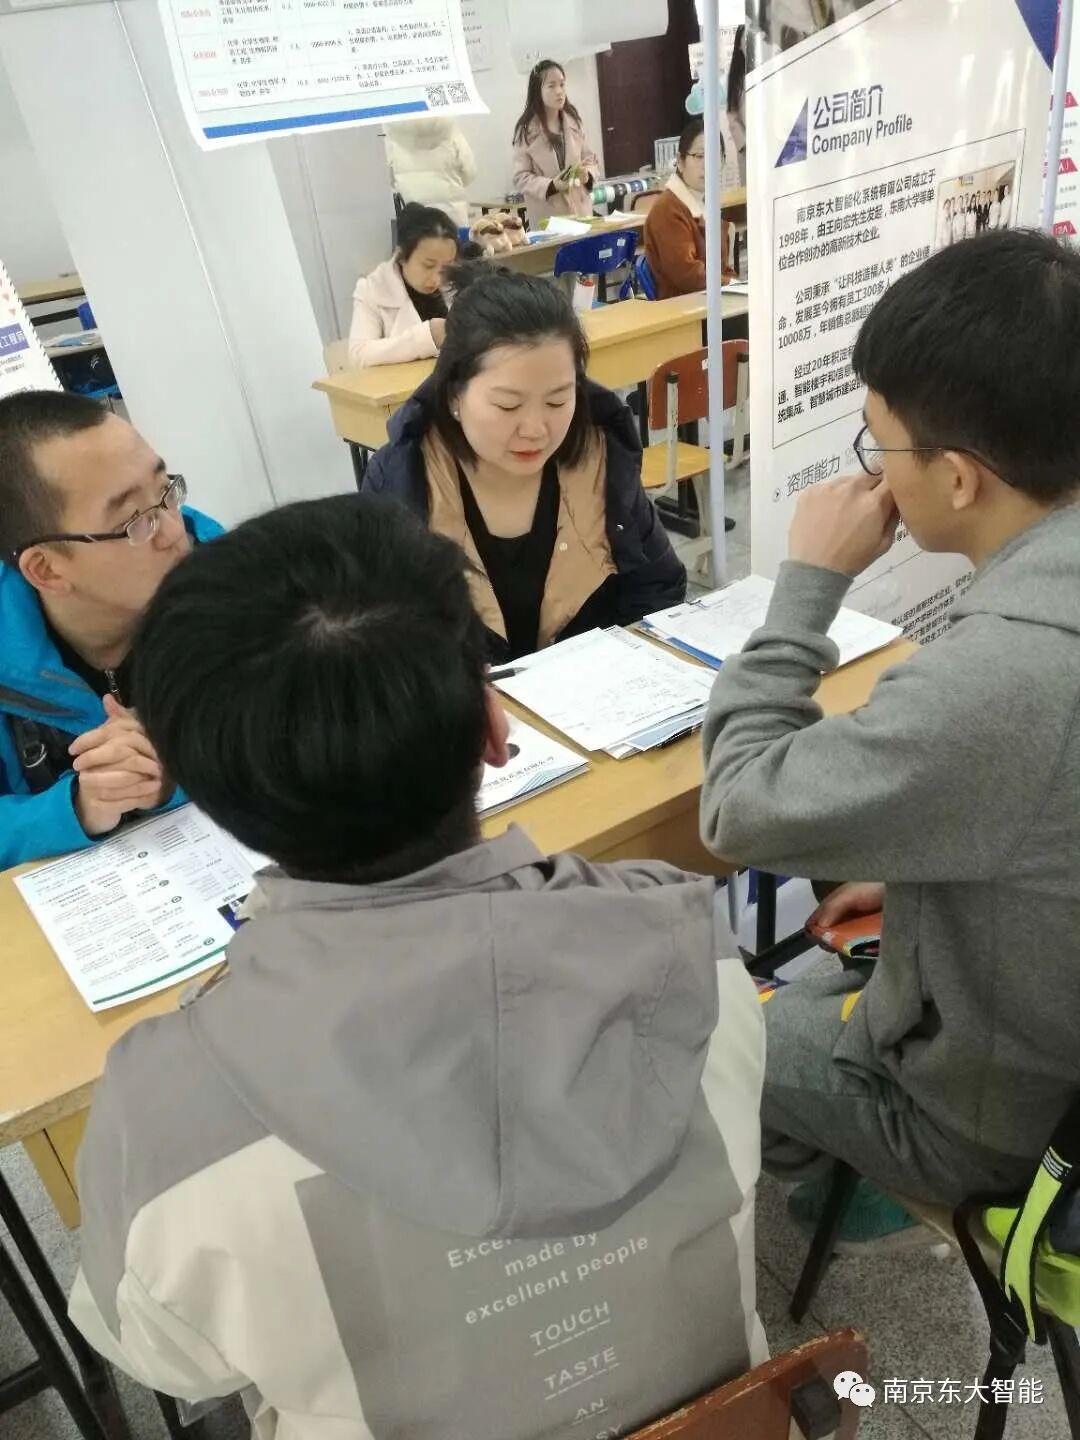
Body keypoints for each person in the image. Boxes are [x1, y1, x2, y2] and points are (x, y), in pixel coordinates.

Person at [69, 493, 766, 1440]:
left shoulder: (163, 1110)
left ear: (213, 805)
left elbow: (163, 1353)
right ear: (493, 727)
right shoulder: (694, 950)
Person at [698, 229, 1080, 1225]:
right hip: (1046, 1038)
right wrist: (931, 869)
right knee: (804, 998)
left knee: (706, 1031)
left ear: (957, 477)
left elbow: (736, 809)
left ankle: (858, 1182)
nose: (876, 474)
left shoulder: (1001, 677)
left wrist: (807, 584)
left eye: (882, 445)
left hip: (1006, 1132)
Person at [362, 264, 686, 661]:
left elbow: (658, 589)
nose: (535, 430)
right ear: (453, 396)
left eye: (557, 401)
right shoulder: (402, 480)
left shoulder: (600, 457)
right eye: (507, 405)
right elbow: (381, 643)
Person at [0, 390, 221, 869]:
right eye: (135, 522)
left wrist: (176, 773)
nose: (174, 531)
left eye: (165, 492)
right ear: (46, 570)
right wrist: (75, 807)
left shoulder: (236, 584)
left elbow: (309, 736)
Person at [348, 204, 459, 369]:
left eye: (447, 267)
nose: (438, 279)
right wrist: (427, 336)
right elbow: (358, 355)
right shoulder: (372, 289)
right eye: (428, 265)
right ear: (401, 256)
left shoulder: (458, 281)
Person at [644, 117, 734, 301]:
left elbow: (723, 268)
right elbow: (688, 275)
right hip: (683, 308)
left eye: (715, 156)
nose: (707, 165)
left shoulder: (706, 203)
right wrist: (730, 283)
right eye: (700, 156)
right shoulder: (668, 209)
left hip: (711, 300)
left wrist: (736, 283)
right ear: (680, 161)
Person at [512, 59, 600, 228]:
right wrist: (552, 185)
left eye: (562, 84)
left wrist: (587, 174)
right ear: (537, 91)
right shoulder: (526, 131)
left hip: (581, 214)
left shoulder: (574, 122)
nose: (559, 91)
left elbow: (591, 160)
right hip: (549, 220)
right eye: (551, 86)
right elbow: (520, 177)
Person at [384, 116, 477, 228]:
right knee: (454, 238)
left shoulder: (393, 135)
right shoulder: (450, 129)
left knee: (417, 238)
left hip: (414, 218)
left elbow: (389, 179)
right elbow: (470, 172)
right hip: (452, 215)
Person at [726, 24, 748, 187]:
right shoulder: (736, 76)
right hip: (748, 149)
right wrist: (744, 145)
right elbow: (732, 115)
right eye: (745, 39)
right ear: (739, 44)